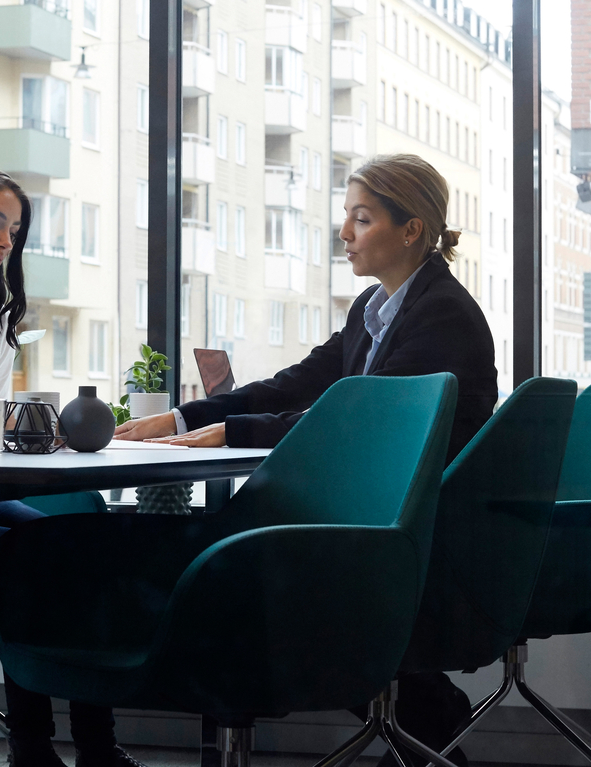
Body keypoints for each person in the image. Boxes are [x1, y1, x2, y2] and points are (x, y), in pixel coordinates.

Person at [114, 152, 498, 767]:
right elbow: (298, 383)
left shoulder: (442, 315)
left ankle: (421, 709)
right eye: (347, 217)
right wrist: (189, 416)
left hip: (424, 535)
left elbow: (359, 425)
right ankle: (424, 709)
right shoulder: (373, 310)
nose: (344, 233)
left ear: (412, 229)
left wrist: (231, 430)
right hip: (381, 518)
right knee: (230, 560)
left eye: (362, 219)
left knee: (243, 573)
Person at [0, 163, 145, 767]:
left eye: (14, 230)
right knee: (27, 555)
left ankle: (94, 745)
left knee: (68, 542)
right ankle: (33, 746)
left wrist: (36, 436)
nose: (4, 240)